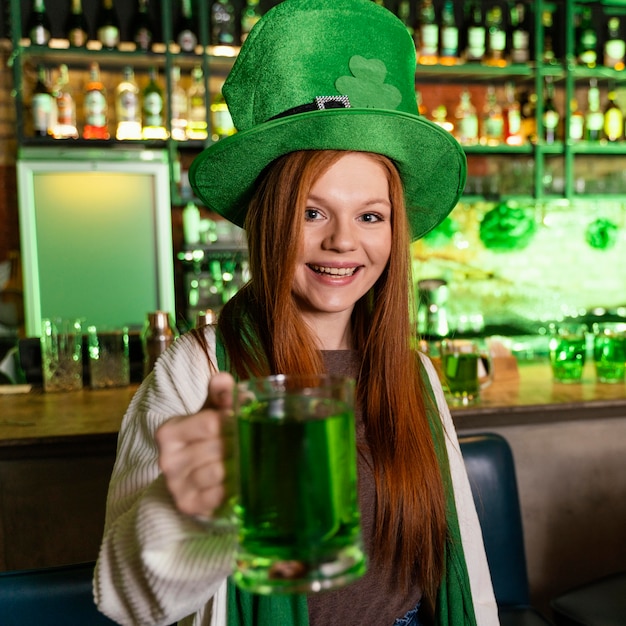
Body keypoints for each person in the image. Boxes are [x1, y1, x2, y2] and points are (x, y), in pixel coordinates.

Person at [94, 1, 499, 625]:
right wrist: (186, 508)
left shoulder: (413, 371)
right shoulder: (197, 371)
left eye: (371, 215)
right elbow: (124, 603)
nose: (343, 241)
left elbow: (459, 562)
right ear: (268, 221)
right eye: (312, 212)